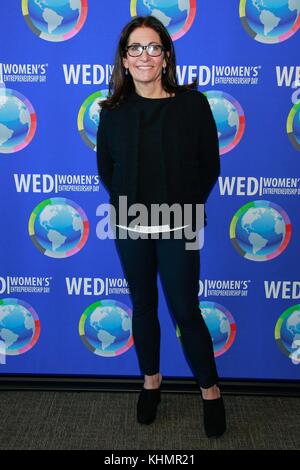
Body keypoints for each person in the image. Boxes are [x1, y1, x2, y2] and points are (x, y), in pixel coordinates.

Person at [96, 15, 226, 438]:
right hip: (130, 225)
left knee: (186, 310)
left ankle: (210, 390)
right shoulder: (112, 111)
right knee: (144, 307)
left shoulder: (193, 104)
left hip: (179, 225)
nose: (145, 56)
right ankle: (151, 381)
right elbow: (107, 170)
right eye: (135, 48)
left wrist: (181, 210)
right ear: (125, 59)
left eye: (153, 47)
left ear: (166, 55)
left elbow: (210, 166)